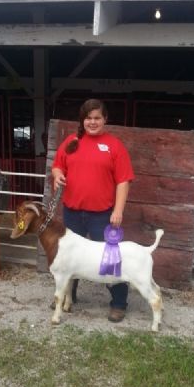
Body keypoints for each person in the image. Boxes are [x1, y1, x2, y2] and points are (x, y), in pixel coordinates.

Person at [52, 98, 135, 323]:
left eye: (97, 117)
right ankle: (68, 297)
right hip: (72, 212)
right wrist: (57, 174)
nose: (92, 122)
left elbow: (123, 181)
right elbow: (58, 165)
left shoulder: (114, 146)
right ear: (82, 120)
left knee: (111, 260)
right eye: (88, 118)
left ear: (105, 119)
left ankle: (119, 303)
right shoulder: (71, 142)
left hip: (102, 215)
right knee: (70, 258)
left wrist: (118, 211)